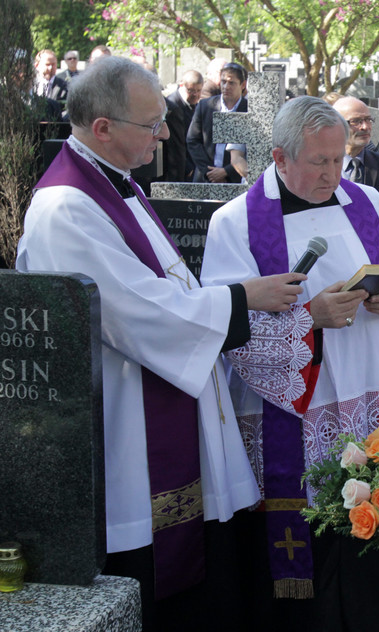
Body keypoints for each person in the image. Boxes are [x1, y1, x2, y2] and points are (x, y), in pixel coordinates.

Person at [15, 56, 303, 631]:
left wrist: (226, 299)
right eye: (152, 125)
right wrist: (241, 299)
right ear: (103, 128)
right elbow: (137, 312)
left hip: (164, 405)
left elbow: (165, 287)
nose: (165, 133)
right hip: (130, 430)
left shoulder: (113, 185)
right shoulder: (67, 206)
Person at [200, 96, 379, 626]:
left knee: (369, 533)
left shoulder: (368, 202)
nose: (334, 173)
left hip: (370, 393)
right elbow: (224, 325)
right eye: (319, 162)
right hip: (292, 412)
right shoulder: (235, 222)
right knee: (307, 547)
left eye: (339, 159)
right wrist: (310, 317)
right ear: (281, 159)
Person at [333, 96, 379, 219]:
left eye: (368, 120)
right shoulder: (320, 166)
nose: (365, 127)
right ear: (336, 124)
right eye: (356, 121)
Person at [187, 61, 248, 183]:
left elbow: (252, 150)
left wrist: (226, 172)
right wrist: (210, 172)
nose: (226, 87)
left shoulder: (249, 109)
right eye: (223, 82)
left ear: (243, 85)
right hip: (205, 177)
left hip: (235, 178)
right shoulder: (206, 106)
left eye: (231, 83)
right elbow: (193, 140)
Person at [161, 69, 202, 182]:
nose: (195, 94)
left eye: (199, 90)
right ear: (181, 85)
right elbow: (175, 145)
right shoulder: (172, 106)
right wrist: (187, 168)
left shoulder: (195, 105)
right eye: (191, 90)